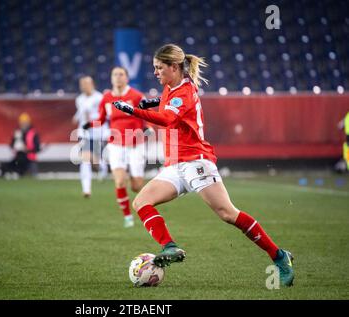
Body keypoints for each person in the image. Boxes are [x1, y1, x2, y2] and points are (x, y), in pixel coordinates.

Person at [113, 44, 294, 286]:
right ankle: (170, 247)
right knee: (141, 201)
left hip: (196, 162)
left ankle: (280, 257)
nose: (155, 73)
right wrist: (152, 102)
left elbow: (168, 118)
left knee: (228, 214)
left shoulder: (184, 92)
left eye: (159, 68)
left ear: (174, 67)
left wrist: (134, 110)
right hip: (175, 164)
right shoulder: (171, 86)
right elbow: (167, 103)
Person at [83, 67, 148, 228]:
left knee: (136, 186)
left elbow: (146, 115)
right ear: (111, 78)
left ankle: (141, 187)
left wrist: (148, 127)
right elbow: (101, 118)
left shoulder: (137, 96)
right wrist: (89, 124)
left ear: (127, 77)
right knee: (119, 181)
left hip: (135, 145)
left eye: (121, 74)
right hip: (115, 144)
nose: (118, 77)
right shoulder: (106, 98)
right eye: (115, 75)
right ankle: (128, 217)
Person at [73, 76, 109, 198]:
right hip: (84, 134)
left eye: (87, 83)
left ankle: (103, 168)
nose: (84, 86)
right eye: (82, 84)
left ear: (92, 84)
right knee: (85, 160)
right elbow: (80, 113)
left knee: (94, 161)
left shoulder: (100, 98)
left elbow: (104, 115)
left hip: (98, 133)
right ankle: (86, 189)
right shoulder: (79, 99)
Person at [8, 112, 41, 177]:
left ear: (28, 122)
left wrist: (27, 149)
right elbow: (11, 145)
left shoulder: (33, 133)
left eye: (25, 122)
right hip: (19, 159)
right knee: (13, 170)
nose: (23, 124)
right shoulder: (17, 133)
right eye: (22, 122)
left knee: (34, 176)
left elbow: (37, 148)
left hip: (30, 160)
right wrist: (16, 147)